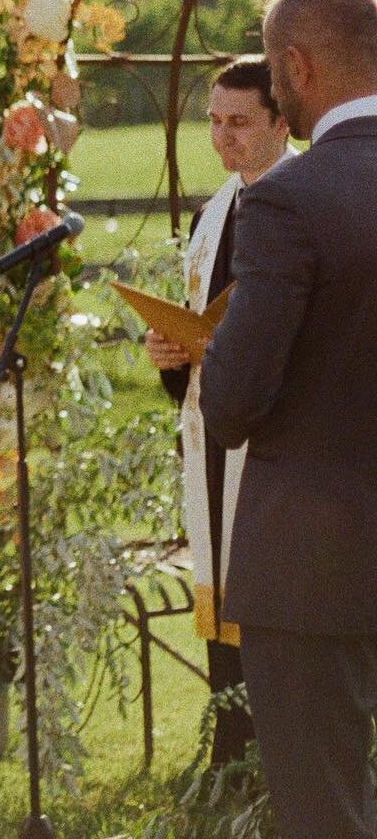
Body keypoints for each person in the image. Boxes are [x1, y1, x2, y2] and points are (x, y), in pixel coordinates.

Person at [203, 0, 377, 839]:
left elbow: (235, 397)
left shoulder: (292, 202)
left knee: (333, 830)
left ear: (297, 72)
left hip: (317, 558)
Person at [143, 58, 291, 767]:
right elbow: (203, 332)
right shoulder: (212, 216)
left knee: (276, 611)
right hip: (214, 441)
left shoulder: (304, 203)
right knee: (223, 597)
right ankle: (232, 758)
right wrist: (172, 354)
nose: (223, 139)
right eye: (214, 121)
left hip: (281, 450)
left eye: (240, 123)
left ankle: (278, 765)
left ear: (282, 121)